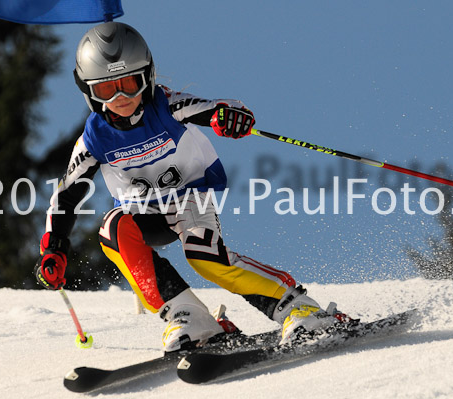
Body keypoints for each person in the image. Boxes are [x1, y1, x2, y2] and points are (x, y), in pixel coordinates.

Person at [35, 22, 351, 352]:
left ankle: (298, 308)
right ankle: (190, 317)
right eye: (106, 90)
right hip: (143, 213)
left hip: (189, 200)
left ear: (148, 77)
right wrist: (54, 246)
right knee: (112, 229)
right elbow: (67, 194)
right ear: (88, 92)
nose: (121, 98)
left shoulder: (165, 106)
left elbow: (211, 109)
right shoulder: (94, 139)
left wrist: (229, 117)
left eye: (130, 84)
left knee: (205, 258)